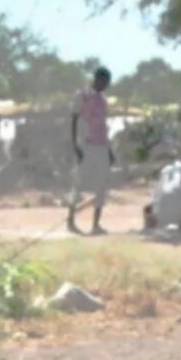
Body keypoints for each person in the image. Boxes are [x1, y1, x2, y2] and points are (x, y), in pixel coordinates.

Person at [65, 66, 114, 235]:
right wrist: (74, 145)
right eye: (104, 82)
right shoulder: (82, 96)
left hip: (101, 146)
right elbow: (73, 120)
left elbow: (104, 126)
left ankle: (96, 224)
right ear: (97, 79)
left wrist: (109, 149)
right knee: (78, 183)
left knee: (102, 185)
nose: (105, 85)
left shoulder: (103, 100)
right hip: (85, 144)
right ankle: (70, 220)